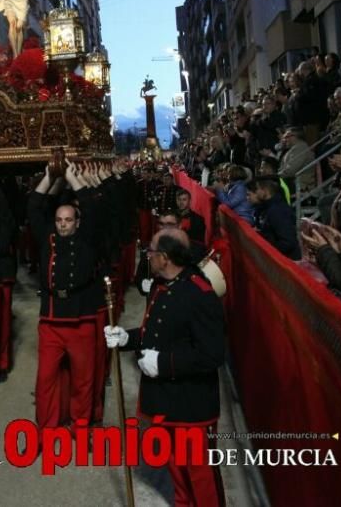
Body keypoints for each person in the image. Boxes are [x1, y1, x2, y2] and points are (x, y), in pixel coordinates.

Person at [105, 229, 225, 507]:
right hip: (167, 401)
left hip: (191, 404)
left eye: (151, 252)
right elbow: (155, 334)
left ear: (165, 258)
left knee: (201, 477)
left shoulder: (200, 293)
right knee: (178, 474)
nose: (147, 257)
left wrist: (162, 363)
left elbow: (211, 354)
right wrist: (126, 338)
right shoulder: (162, 287)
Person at [27, 162, 103, 429]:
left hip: (80, 318)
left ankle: (80, 426)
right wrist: (50, 177)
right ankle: (46, 428)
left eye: (68, 220)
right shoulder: (47, 237)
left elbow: (94, 207)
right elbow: (33, 207)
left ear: (77, 222)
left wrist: (73, 177)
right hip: (51, 319)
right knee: (45, 379)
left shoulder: (88, 238)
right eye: (59, 220)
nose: (62, 225)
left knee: (83, 379)